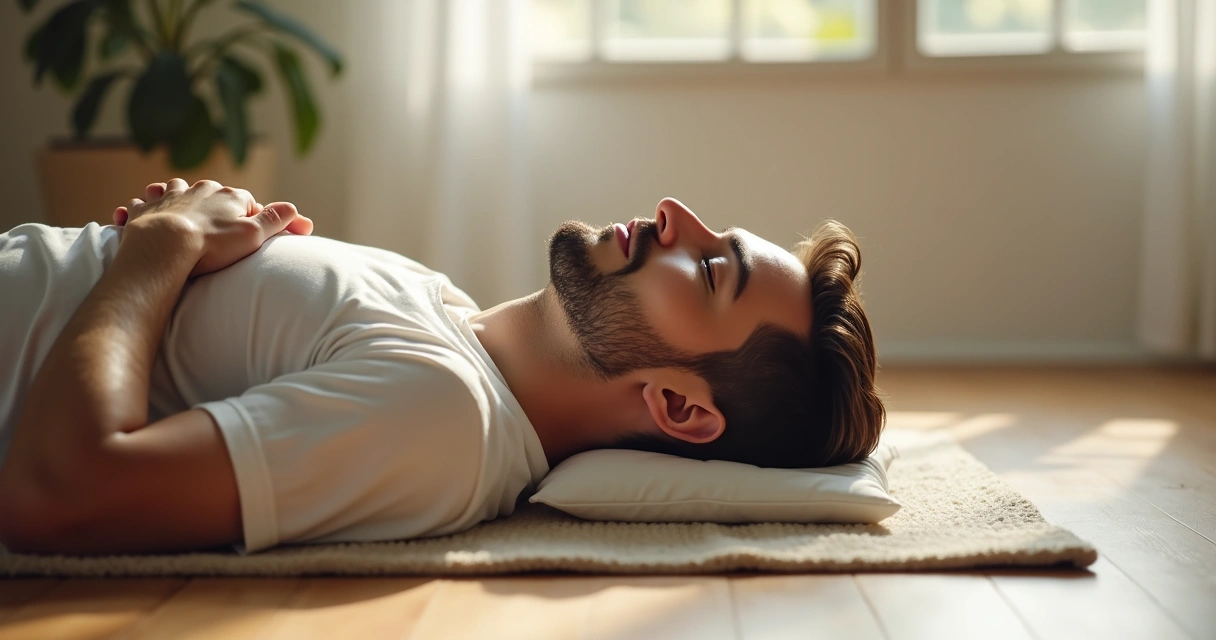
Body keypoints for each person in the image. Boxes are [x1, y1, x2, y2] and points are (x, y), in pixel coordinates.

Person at [0, 178, 883, 555]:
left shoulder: (443, 415)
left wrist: (159, 247)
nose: (674, 213)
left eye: (710, 269)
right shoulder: (450, 318)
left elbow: (64, 493)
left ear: (678, 407)